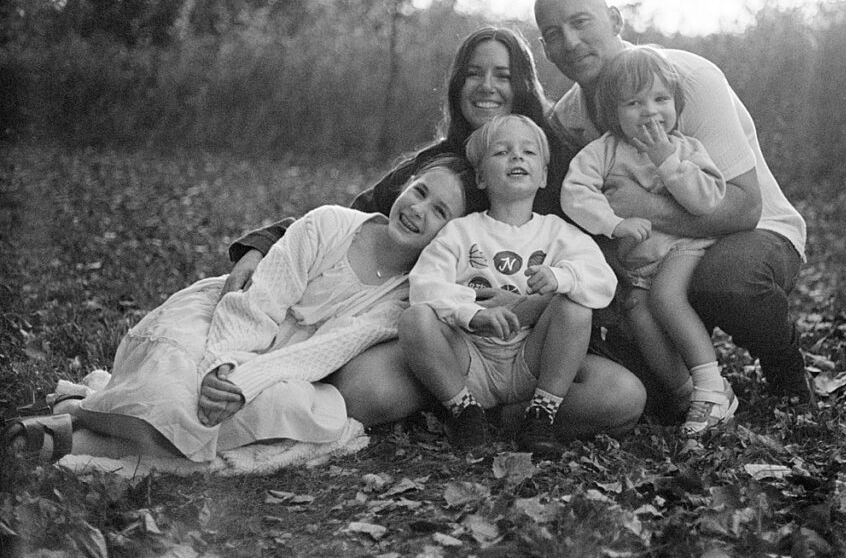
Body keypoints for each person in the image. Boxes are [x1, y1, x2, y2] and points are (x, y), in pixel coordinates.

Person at [221, 26, 646, 440]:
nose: (486, 86)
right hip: (456, 341)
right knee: (364, 392)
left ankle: (520, 416)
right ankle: (461, 405)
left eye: (502, 75)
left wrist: (533, 303)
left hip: (535, 348)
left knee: (624, 397)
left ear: (522, 86)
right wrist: (262, 245)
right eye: (474, 74)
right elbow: (357, 216)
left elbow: (603, 273)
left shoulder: (550, 165)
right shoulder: (442, 161)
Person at [5, 156, 479, 462]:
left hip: (281, 363)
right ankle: (86, 420)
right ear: (404, 187)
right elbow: (260, 301)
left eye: (439, 212)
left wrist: (242, 383)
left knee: (279, 413)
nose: (419, 210)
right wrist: (224, 364)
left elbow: (324, 353)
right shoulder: (331, 224)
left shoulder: (401, 298)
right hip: (228, 317)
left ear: (449, 237)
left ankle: (71, 432)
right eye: (419, 192)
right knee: (178, 392)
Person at [535, 0, 811, 411]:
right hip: (651, 257)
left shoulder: (687, 79)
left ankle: (785, 366)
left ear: (614, 20)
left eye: (581, 22)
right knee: (648, 386)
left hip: (752, 235)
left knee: (728, 280)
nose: (569, 42)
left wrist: (645, 209)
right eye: (553, 34)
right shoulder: (568, 119)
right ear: (546, 50)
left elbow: (744, 206)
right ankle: (694, 389)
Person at [401, 115, 616, 455]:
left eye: (528, 152)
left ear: (544, 176)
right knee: (415, 320)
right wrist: (472, 315)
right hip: (470, 361)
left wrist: (562, 277)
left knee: (575, 306)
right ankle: (465, 411)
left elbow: (603, 280)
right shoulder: (461, 232)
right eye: (501, 152)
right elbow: (425, 285)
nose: (516, 157)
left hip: (531, 362)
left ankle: (540, 415)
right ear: (481, 177)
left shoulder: (558, 233)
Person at [561, 44, 738, 434]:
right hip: (639, 262)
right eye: (634, 103)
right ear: (613, 112)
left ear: (676, 103)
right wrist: (612, 223)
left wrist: (665, 159)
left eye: (661, 98)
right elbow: (575, 194)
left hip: (682, 246)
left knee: (666, 297)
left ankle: (711, 388)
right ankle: (686, 393)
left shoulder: (685, 148)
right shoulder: (604, 151)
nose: (650, 111)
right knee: (637, 310)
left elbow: (706, 201)